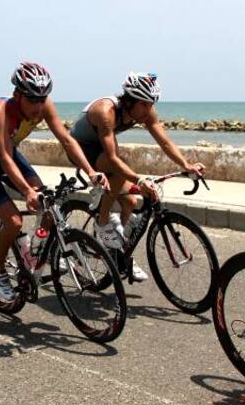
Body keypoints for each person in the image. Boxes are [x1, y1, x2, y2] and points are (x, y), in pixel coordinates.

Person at [0, 61, 104, 301]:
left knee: (49, 206)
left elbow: (66, 139)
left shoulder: (43, 105)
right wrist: (27, 191)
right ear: (17, 95)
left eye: (43, 99)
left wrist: (91, 172)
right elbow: (5, 157)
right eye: (32, 99)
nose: (38, 106)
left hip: (11, 156)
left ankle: (34, 252)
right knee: (13, 221)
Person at [69, 72, 205, 282]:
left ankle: (119, 255)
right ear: (130, 100)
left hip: (104, 151)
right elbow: (113, 159)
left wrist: (186, 165)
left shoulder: (145, 111)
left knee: (131, 202)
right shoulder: (106, 112)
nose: (148, 110)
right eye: (144, 105)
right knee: (117, 168)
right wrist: (139, 180)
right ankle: (102, 223)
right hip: (82, 149)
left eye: (151, 104)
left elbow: (165, 143)